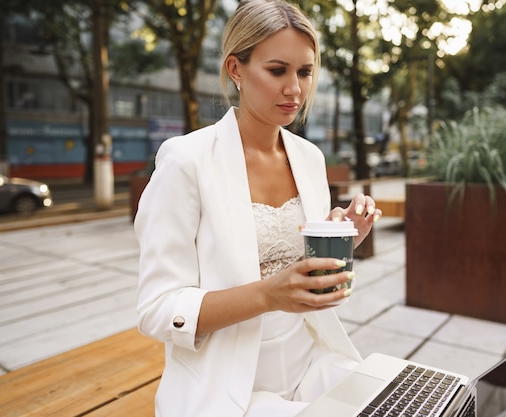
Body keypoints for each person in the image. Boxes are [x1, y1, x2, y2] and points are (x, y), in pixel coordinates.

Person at [134, 0, 382, 415]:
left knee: (399, 400)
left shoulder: (309, 158)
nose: (295, 89)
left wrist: (344, 236)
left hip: (311, 361)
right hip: (227, 382)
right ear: (236, 69)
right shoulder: (187, 160)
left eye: (304, 72)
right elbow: (156, 311)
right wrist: (269, 294)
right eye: (277, 70)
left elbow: (301, 272)